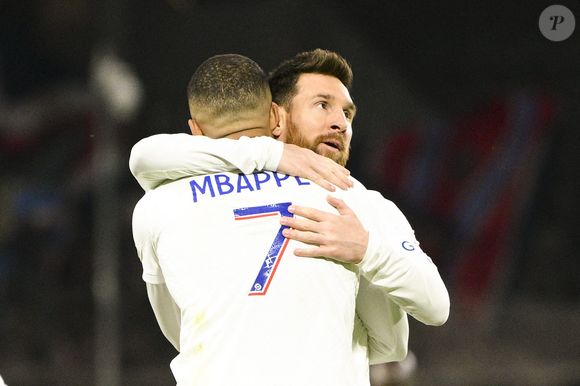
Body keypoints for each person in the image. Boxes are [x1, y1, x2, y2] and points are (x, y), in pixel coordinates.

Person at [132, 51, 449, 385]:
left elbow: (178, 329)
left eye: (348, 113)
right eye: (322, 105)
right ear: (277, 116)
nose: (340, 122)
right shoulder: (352, 199)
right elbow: (393, 342)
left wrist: (366, 250)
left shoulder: (159, 204)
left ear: (195, 131)